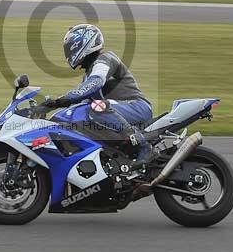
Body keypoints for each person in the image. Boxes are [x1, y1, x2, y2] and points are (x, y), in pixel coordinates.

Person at [41, 23, 155, 167]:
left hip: (137, 107)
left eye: (72, 47)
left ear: (86, 43)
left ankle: (143, 146)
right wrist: (50, 109)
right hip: (118, 111)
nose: (69, 52)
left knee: (95, 107)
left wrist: (62, 100)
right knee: (76, 114)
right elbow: (81, 100)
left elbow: (96, 82)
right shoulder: (88, 74)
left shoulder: (105, 59)